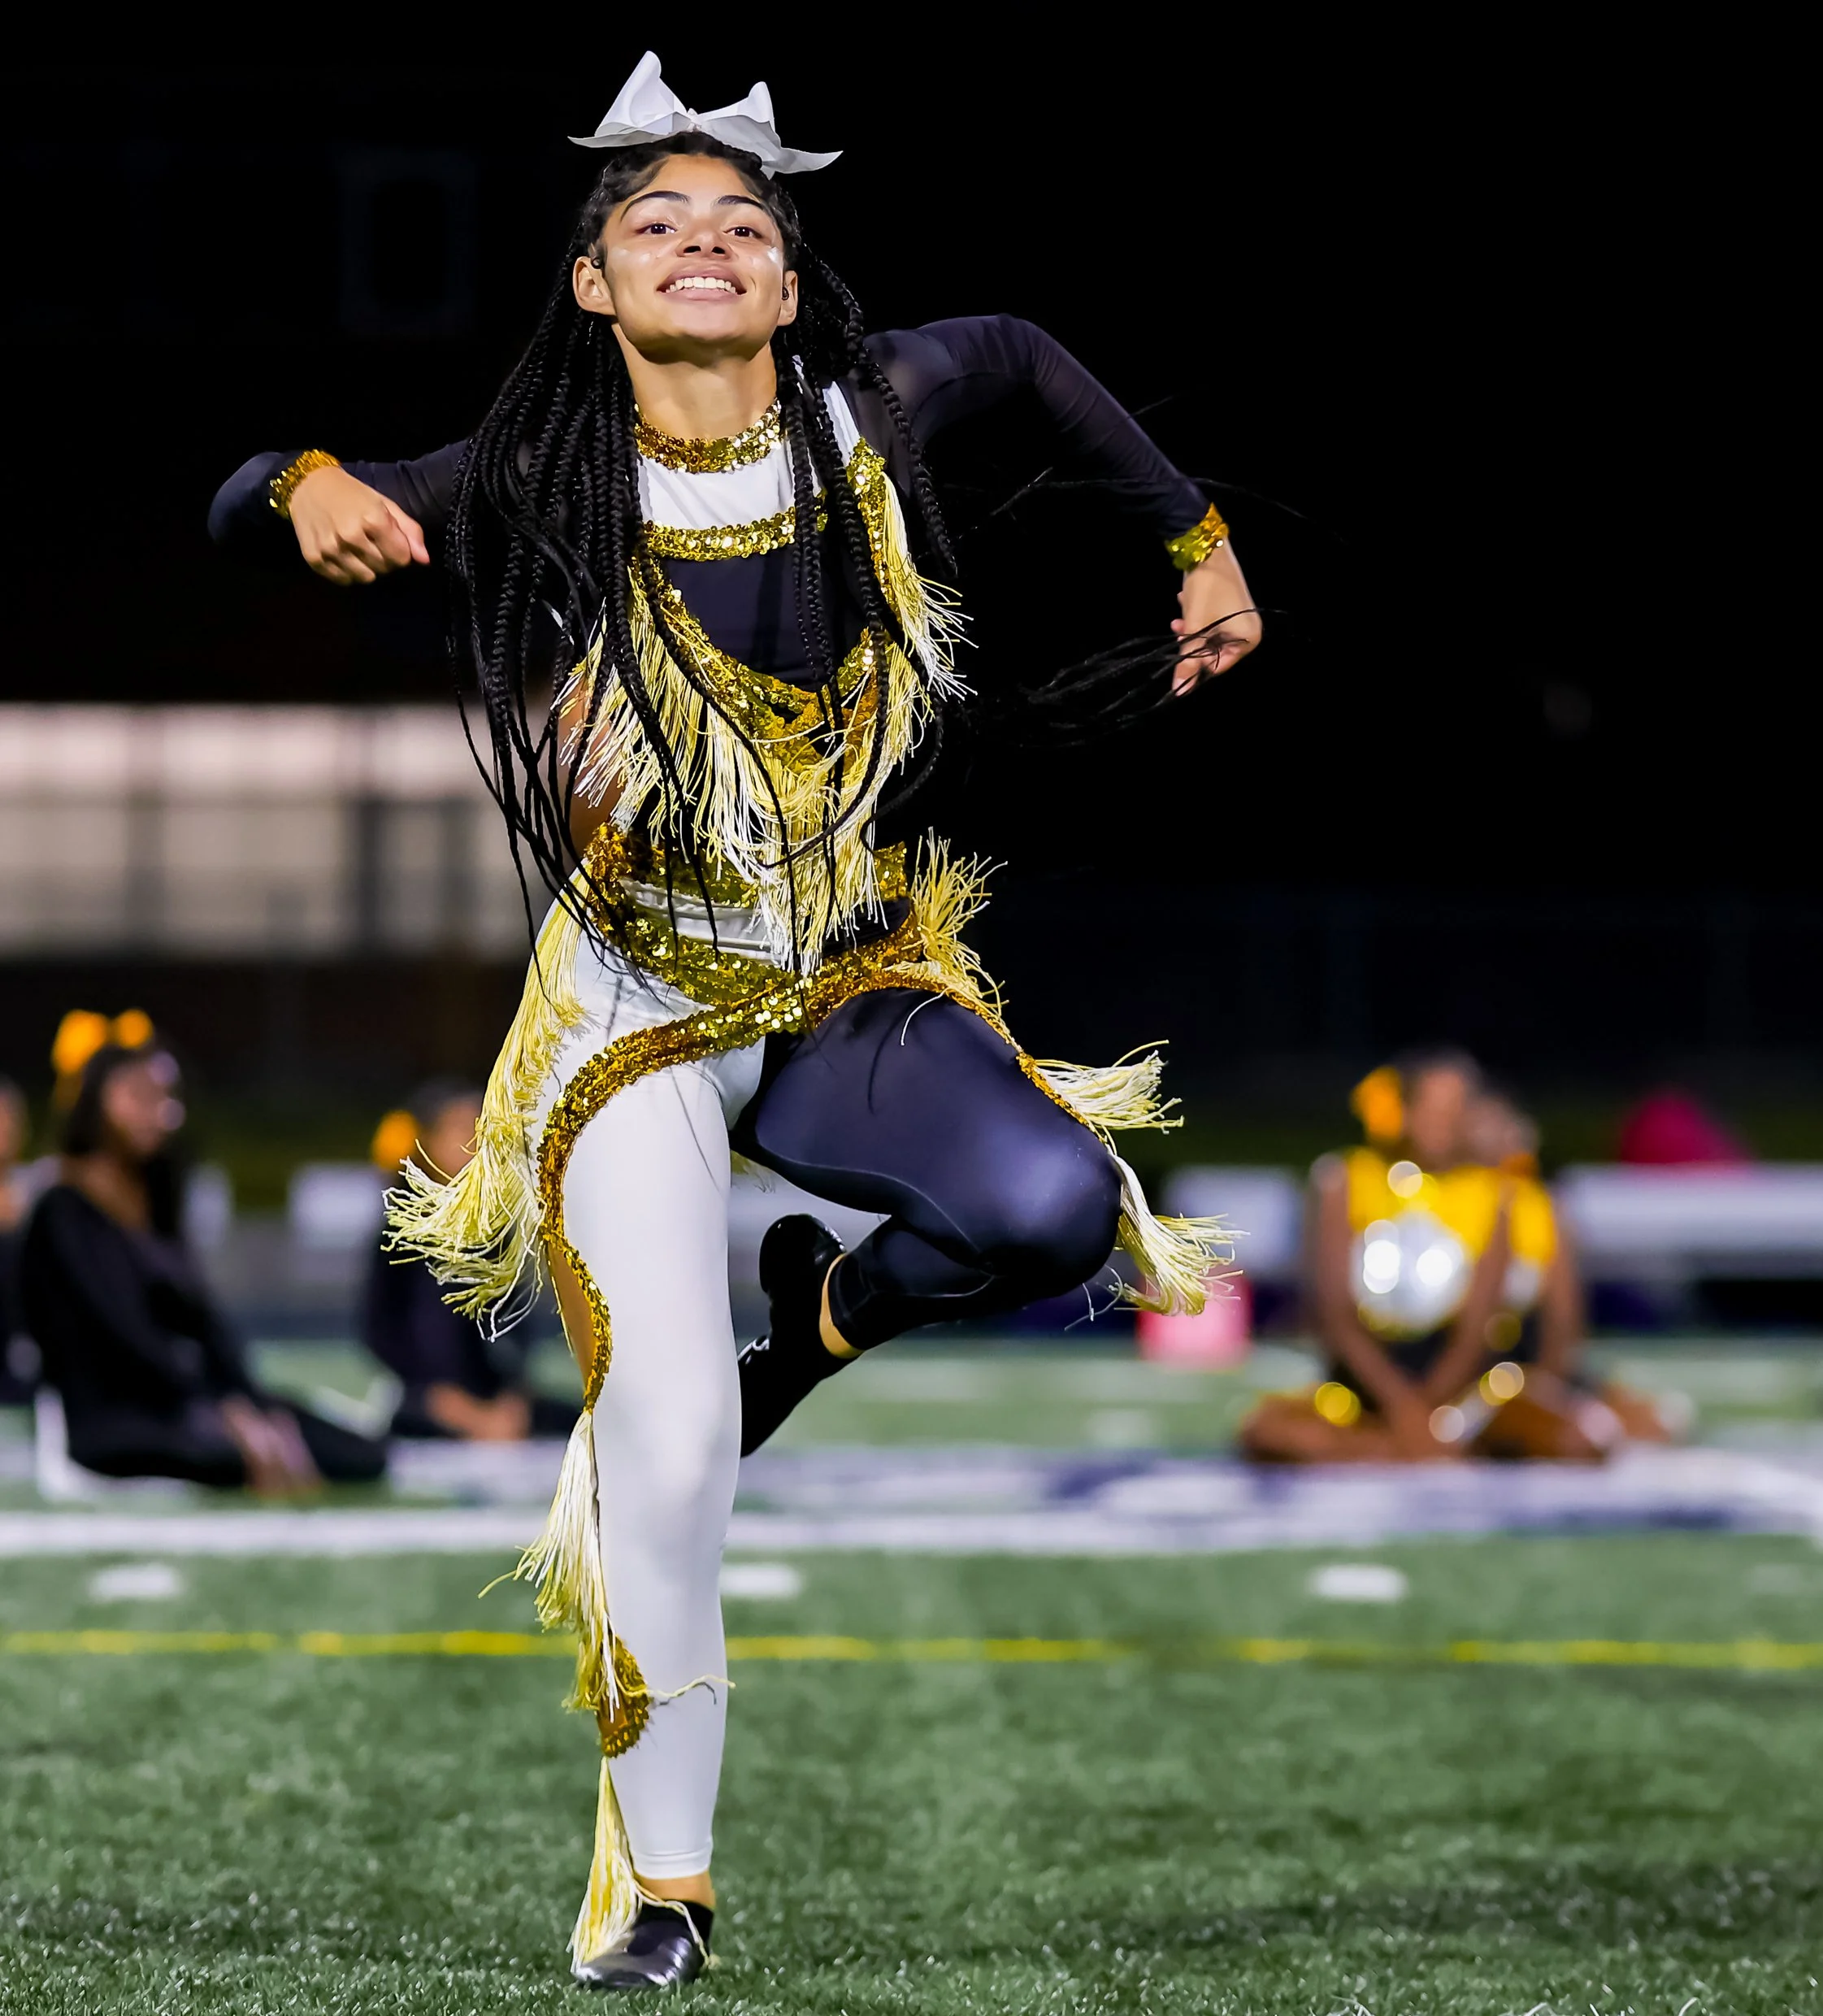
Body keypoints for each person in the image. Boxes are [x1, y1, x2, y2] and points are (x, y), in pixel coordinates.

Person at [210, 53, 1259, 1990]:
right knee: (673, 1441)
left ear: (785, 285)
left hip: (838, 968)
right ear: (594, 284)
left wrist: (1193, 541)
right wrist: (301, 481)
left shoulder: (868, 414)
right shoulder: (548, 470)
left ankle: (823, 1318)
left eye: (741, 224)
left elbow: (1023, 356)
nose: (702, 240)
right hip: (638, 1009)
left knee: (1052, 1212)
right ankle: (662, 1888)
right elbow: (258, 491)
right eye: (655, 221)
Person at [17, 1016, 386, 1493]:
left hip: (188, 1401)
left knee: (356, 1452)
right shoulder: (64, 1206)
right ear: (93, 1101)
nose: (161, 1112)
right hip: (116, 1416)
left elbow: (204, 1322)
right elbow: (122, 1333)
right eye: (140, 1096)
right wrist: (215, 1407)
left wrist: (249, 1403)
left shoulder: (157, 1200)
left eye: (167, 1097)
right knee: (229, 1452)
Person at [364, 1084, 579, 1440]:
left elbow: (513, 1326)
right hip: (430, 1400)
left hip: (494, 1398)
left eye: (483, 1129)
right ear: (428, 1142)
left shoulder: (498, 1229)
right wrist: (450, 1404)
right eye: (461, 1128)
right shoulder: (401, 1232)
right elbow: (382, 1330)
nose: (474, 1141)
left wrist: (511, 1397)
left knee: (577, 1420)